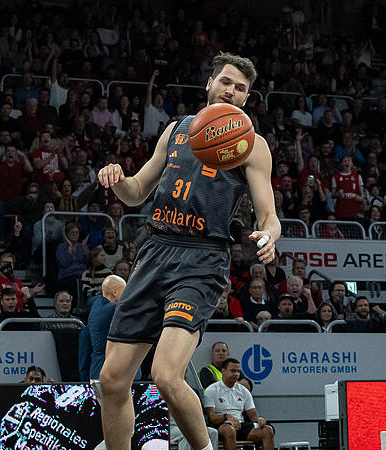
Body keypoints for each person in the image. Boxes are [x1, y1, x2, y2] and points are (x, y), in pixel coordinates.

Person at [96, 53, 279, 450]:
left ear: (247, 99)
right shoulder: (176, 130)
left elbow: (269, 215)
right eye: (226, 82)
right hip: (155, 251)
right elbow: (135, 193)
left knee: (165, 375)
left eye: (241, 88)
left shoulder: (252, 146)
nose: (232, 91)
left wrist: (268, 236)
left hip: (202, 259)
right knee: (111, 380)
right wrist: (117, 179)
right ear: (210, 85)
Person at [203, 358, 274, 450]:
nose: (236, 374)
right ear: (223, 371)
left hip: (240, 425)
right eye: (233, 371)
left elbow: (252, 415)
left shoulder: (243, 390)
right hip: (221, 425)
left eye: (238, 371)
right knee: (229, 430)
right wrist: (226, 416)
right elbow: (212, 417)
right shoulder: (211, 390)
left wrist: (259, 419)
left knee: (268, 430)